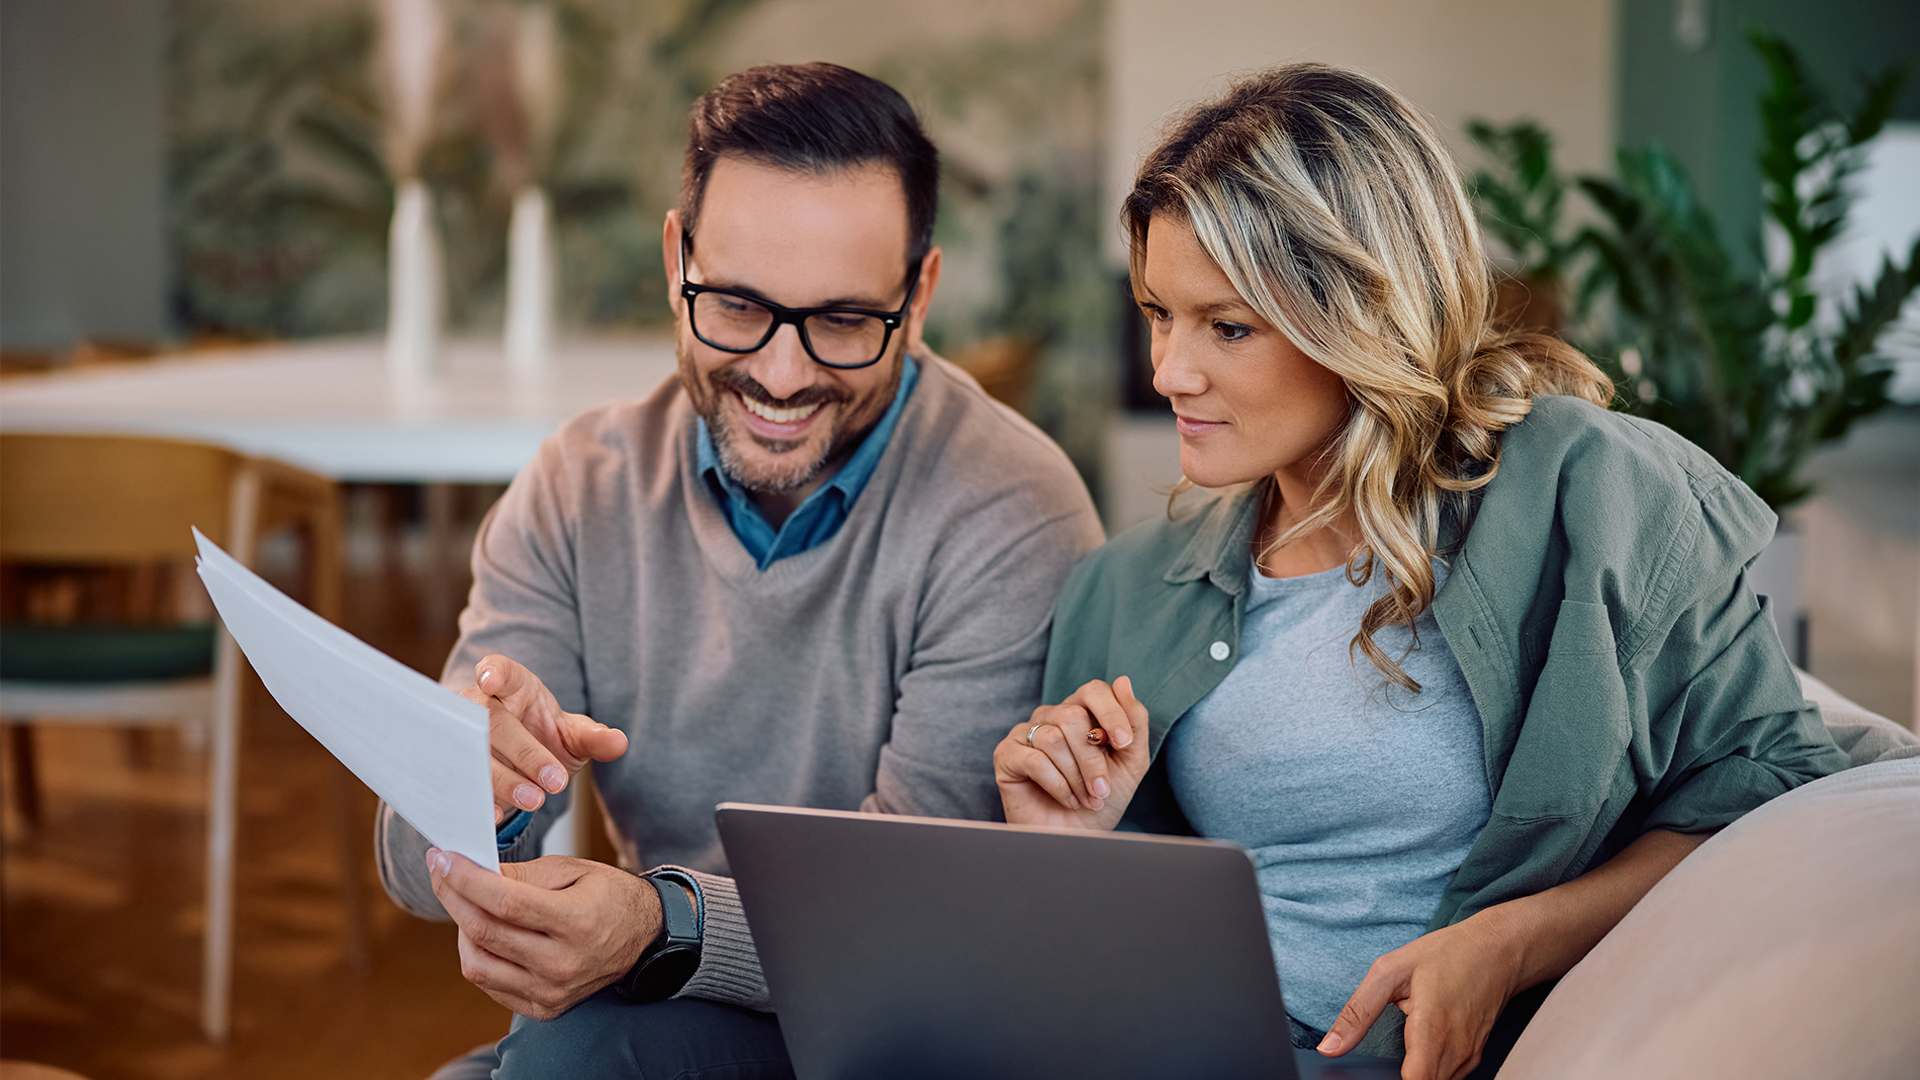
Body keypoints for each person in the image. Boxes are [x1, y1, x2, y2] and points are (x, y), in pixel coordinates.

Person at [993, 63, 1848, 1080]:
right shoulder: (1124, 587)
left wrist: (1513, 940)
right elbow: (1084, 956)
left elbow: (1767, 785)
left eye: (1227, 326)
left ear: (1363, 314)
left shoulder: (1596, 494)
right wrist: (1072, 846)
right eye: (1157, 313)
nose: (1170, 369)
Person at [376, 62, 1104, 1079]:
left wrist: (659, 924)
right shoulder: (577, 488)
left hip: (906, 1035)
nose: (782, 372)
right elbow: (417, 868)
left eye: (846, 321)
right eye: (737, 305)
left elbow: (919, 917)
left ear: (922, 294)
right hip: (661, 1004)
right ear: (678, 260)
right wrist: (470, 782)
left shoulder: (1011, 511)